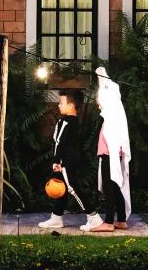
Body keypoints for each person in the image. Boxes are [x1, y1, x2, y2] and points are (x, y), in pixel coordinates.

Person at [38, 89, 103, 230]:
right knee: (62, 187)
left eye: (61, 103)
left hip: (66, 161)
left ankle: (93, 217)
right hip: (69, 159)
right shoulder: (74, 121)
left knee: (72, 187)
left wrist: (56, 161)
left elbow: (59, 142)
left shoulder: (66, 121)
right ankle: (56, 218)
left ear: (71, 105)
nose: (58, 105)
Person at [85, 67, 132, 232]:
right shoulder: (112, 116)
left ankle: (109, 221)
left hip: (109, 155)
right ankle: (122, 219)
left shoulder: (111, 117)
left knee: (109, 187)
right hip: (110, 154)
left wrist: (102, 79)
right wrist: (101, 77)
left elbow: (112, 140)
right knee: (114, 186)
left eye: (99, 100)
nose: (97, 103)